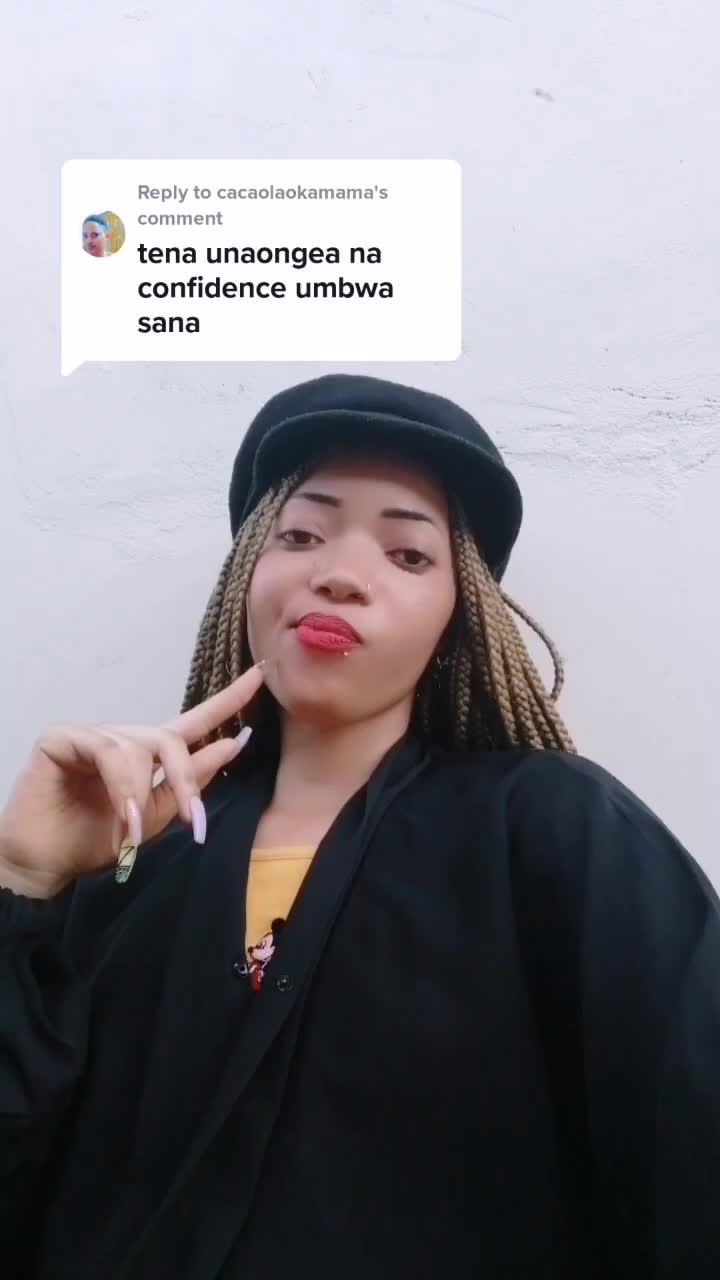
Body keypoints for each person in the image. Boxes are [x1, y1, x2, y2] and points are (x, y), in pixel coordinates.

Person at [1, 373, 718, 1279]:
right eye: (300, 535)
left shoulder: (554, 832)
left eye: (408, 554)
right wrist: (21, 883)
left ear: (458, 618)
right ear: (247, 576)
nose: (338, 573)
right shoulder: (129, 856)